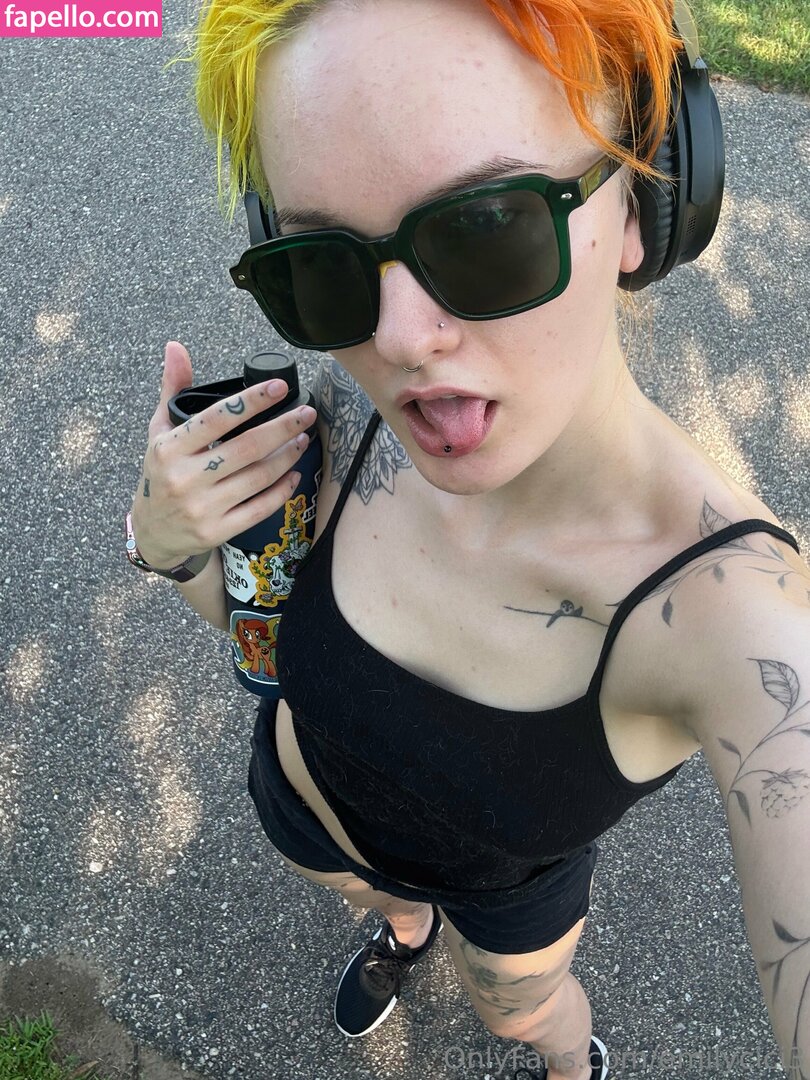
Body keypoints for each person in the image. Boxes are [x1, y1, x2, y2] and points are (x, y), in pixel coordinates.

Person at [128, 1, 810, 1077]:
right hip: (308, 818)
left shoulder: (740, 617)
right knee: (393, 910)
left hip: (506, 911)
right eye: (324, 263)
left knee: (522, 1017)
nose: (400, 339)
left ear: (650, 199)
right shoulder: (332, 419)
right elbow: (261, 627)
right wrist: (168, 544)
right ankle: (405, 933)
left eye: (487, 227)